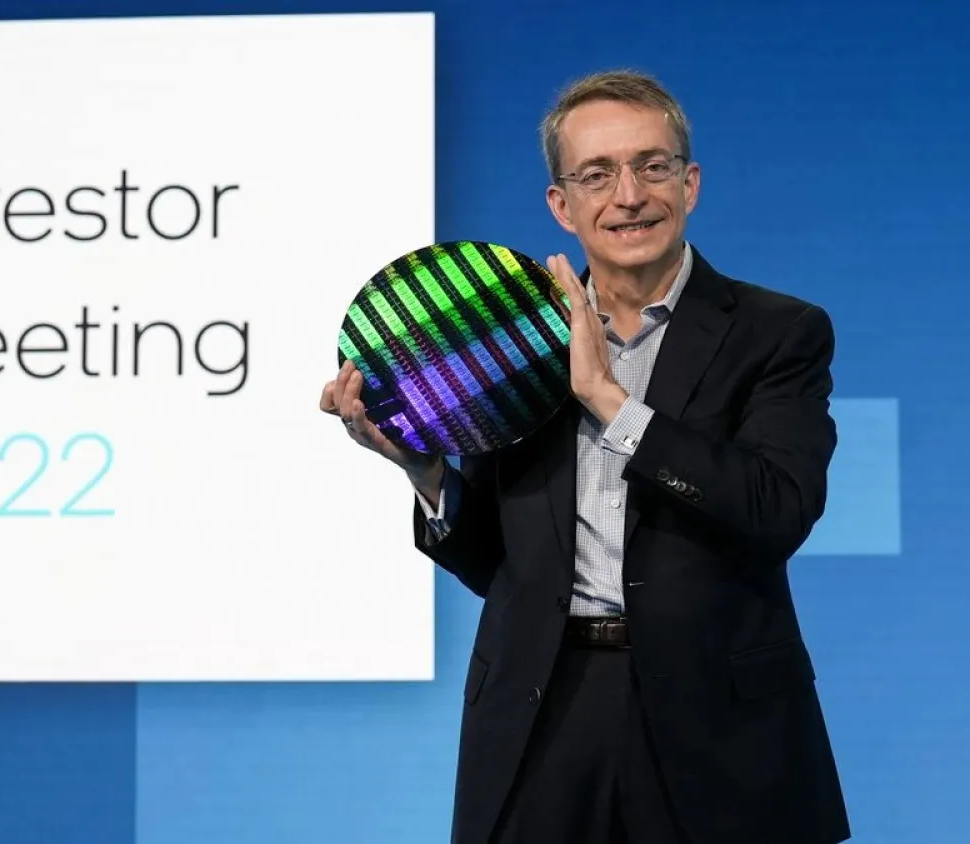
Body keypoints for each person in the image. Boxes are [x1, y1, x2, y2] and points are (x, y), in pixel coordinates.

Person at [319, 70, 850, 844]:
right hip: (541, 714)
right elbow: (500, 568)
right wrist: (424, 472)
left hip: (717, 724)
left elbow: (776, 510)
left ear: (690, 184)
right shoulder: (503, 334)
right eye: (597, 175)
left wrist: (608, 399)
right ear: (561, 206)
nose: (628, 196)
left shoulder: (778, 333)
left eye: (652, 166)